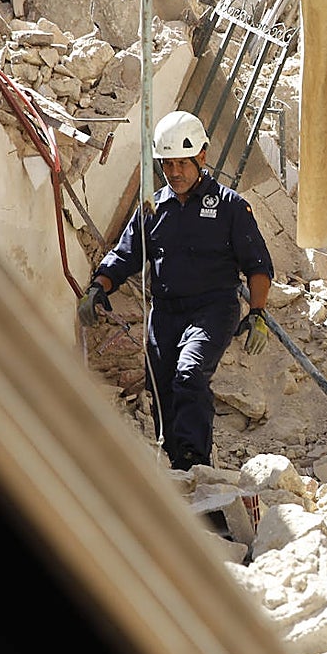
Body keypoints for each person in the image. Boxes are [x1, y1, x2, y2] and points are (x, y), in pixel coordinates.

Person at [78, 110, 274, 471]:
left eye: (182, 163)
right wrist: (99, 288)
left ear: (202, 156)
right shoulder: (153, 208)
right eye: (167, 165)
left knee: (190, 373)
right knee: (163, 386)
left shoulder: (231, 207)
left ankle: (195, 464)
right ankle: (175, 461)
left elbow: (258, 266)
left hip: (213, 309)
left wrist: (258, 313)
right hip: (166, 313)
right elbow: (125, 255)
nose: (174, 173)